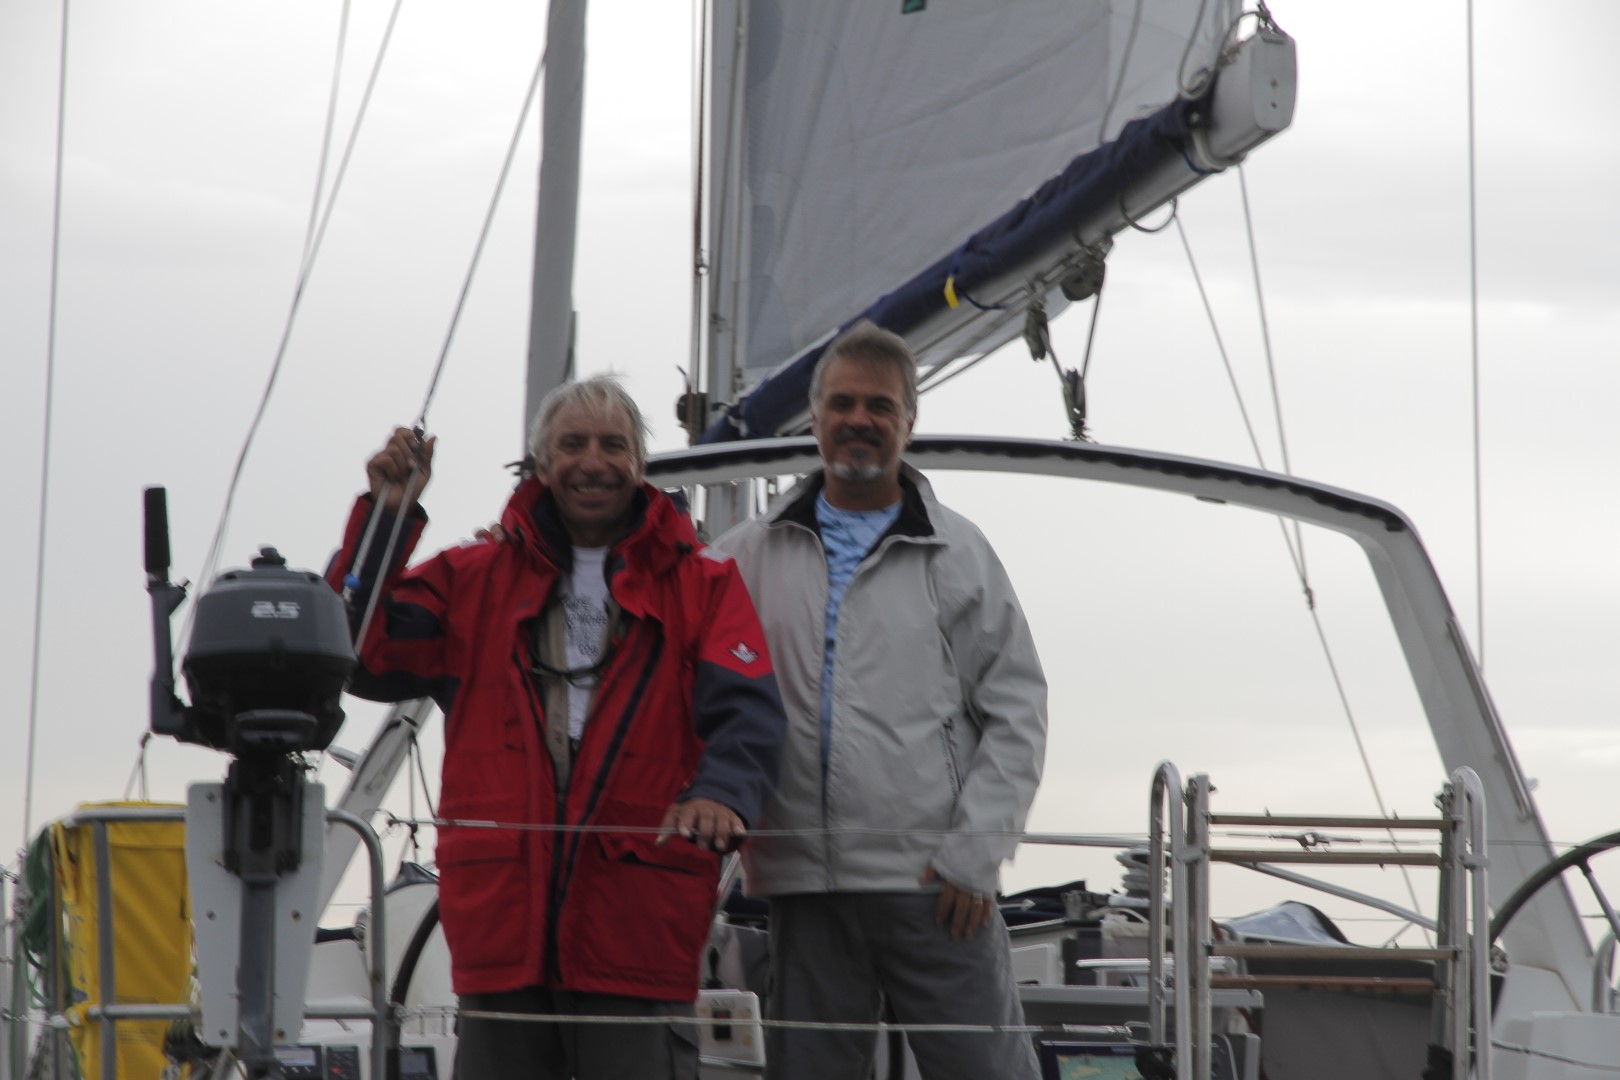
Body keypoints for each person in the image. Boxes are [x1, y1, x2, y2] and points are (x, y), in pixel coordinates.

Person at [327, 375, 786, 1080]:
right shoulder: (471, 577)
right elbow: (362, 650)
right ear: (542, 464)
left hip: (638, 927)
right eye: (572, 445)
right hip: (501, 931)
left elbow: (749, 713)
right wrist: (388, 514)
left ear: (639, 463)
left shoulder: (705, 585)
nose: (592, 462)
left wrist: (721, 793)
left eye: (613, 445)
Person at [712, 321, 1048, 1080]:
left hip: (937, 887)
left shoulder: (959, 553)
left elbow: (1018, 708)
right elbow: (658, 609)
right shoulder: (746, 555)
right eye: (842, 403)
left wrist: (975, 856)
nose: (858, 419)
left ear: (908, 420)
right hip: (804, 887)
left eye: (879, 406)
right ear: (815, 416)